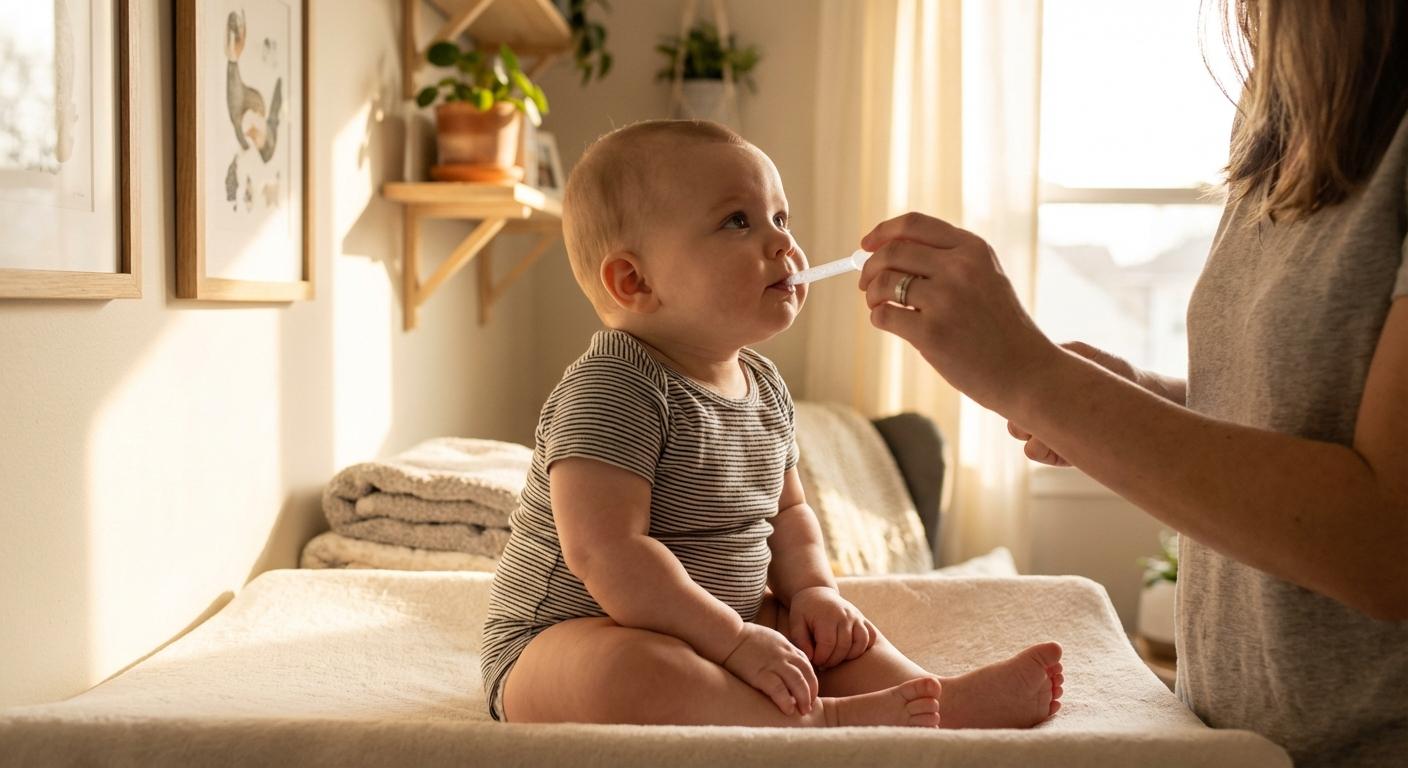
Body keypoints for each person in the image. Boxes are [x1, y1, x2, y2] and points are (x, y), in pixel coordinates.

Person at [854, 1, 1407, 764]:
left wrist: (1034, 378)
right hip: (1239, 741)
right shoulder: (1284, 105)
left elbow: (1388, 545)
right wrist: (1135, 398)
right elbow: (1314, 413)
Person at [478, 119, 1064, 728]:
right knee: (631, 673)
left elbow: (788, 515)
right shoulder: (614, 387)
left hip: (734, 628)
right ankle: (827, 723)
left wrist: (814, 592)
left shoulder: (765, 387)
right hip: (570, 636)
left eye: (781, 219)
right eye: (739, 221)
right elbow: (607, 552)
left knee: (835, 638)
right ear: (636, 281)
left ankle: (935, 698)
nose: (783, 244)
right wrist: (731, 641)